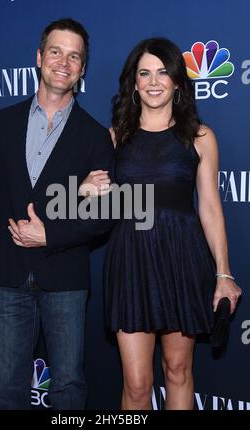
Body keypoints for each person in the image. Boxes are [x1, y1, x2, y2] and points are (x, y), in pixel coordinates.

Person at [0, 18, 114, 410]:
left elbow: (104, 215)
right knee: (8, 390)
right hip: (6, 275)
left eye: (74, 56)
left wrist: (50, 234)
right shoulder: (1, 122)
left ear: (82, 69)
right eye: (55, 51)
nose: (63, 62)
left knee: (68, 388)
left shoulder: (96, 136)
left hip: (65, 278)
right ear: (38, 57)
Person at [102, 37, 242, 410]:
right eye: (144, 73)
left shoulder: (199, 136)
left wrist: (224, 274)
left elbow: (210, 207)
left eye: (163, 72)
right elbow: (89, 202)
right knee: (136, 383)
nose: (153, 81)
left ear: (178, 81)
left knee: (178, 368)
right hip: (131, 259)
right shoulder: (115, 138)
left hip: (181, 257)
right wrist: (86, 190)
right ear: (133, 84)